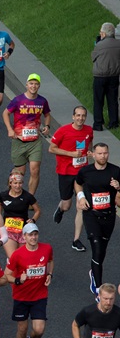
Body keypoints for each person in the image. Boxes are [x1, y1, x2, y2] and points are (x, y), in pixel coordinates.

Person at [4, 223, 53, 338]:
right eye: (30, 235)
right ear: (24, 237)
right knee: (22, 329)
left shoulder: (47, 248)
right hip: (21, 297)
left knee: (39, 330)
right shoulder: (18, 255)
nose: (33, 237)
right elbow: (6, 275)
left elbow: (50, 261)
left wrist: (49, 274)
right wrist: (18, 280)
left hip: (39, 295)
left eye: (35, 234)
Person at [74, 142, 120, 294]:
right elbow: (78, 184)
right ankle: (98, 288)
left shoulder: (116, 171)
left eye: (105, 153)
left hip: (109, 215)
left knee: (102, 251)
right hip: (91, 215)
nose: (103, 156)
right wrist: (81, 198)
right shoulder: (86, 171)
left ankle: (94, 271)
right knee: (97, 249)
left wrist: (118, 187)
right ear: (93, 154)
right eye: (99, 153)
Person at [50, 106, 93, 249]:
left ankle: (76, 240)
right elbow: (52, 148)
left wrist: (90, 153)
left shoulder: (88, 131)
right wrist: (71, 154)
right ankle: (61, 209)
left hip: (82, 174)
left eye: (83, 116)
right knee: (67, 205)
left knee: (81, 205)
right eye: (78, 115)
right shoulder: (63, 131)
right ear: (73, 117)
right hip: (66, 172)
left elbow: (89, 145)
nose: (80, 118)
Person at [2, 74, 51, 195]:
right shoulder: (18, 100)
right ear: (26, 85)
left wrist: (47, 126)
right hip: (19, 140)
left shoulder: (42, 101)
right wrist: (10, 129)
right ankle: (12, 193)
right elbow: (5, 113)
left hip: (35, 142)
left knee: (35, 170)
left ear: (39, 86)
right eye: (31, 83)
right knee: (20, 173)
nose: (33, 86)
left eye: (36, 84)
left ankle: (30, 198)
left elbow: (47, 115)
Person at [0, 171, 40, 259]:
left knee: (23, 257)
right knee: (13, 257)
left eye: (20, 183)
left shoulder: (27, 196)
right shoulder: (3, 195)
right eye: (15, 183)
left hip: (23, 231)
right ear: (10, 183)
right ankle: (10, 268)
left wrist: (33, 220)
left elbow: (38, 210)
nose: (17, 186)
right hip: (8, 231)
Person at [91, 22, 120, 131]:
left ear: (103, 33)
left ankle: (98, 123)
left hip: (100, 76)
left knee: (98, 100)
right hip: (114, 75)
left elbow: (93, 57)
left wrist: (98, 43)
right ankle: (114, 122)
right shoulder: (118, 44)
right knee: (112, 100)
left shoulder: (99, 45)